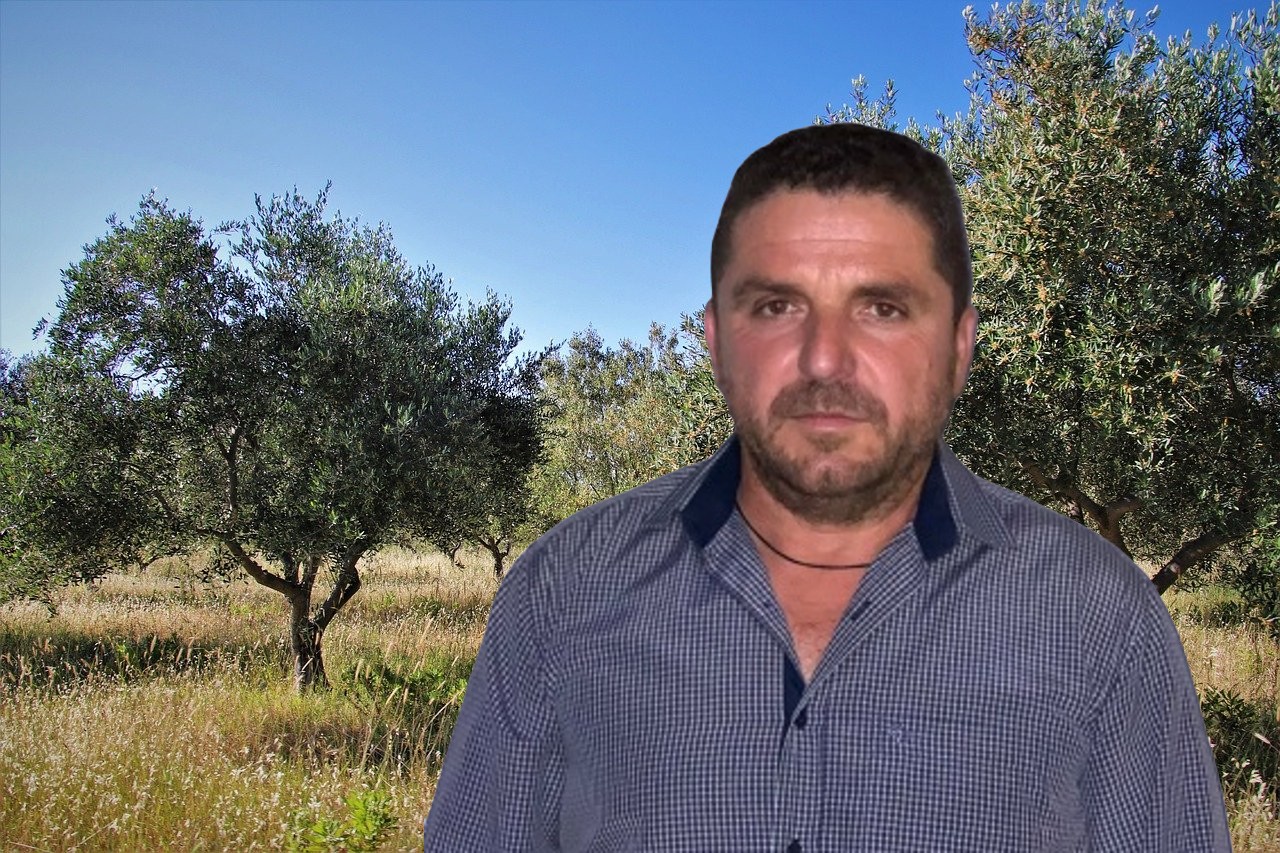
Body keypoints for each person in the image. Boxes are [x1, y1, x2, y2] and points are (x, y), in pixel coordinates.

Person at [423, 123, 1230, 852]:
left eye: (882, 308)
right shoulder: (563, 592)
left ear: (959, 347)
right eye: (777, 305)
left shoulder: (1103, 620)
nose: (823, 359)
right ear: (715, 340)